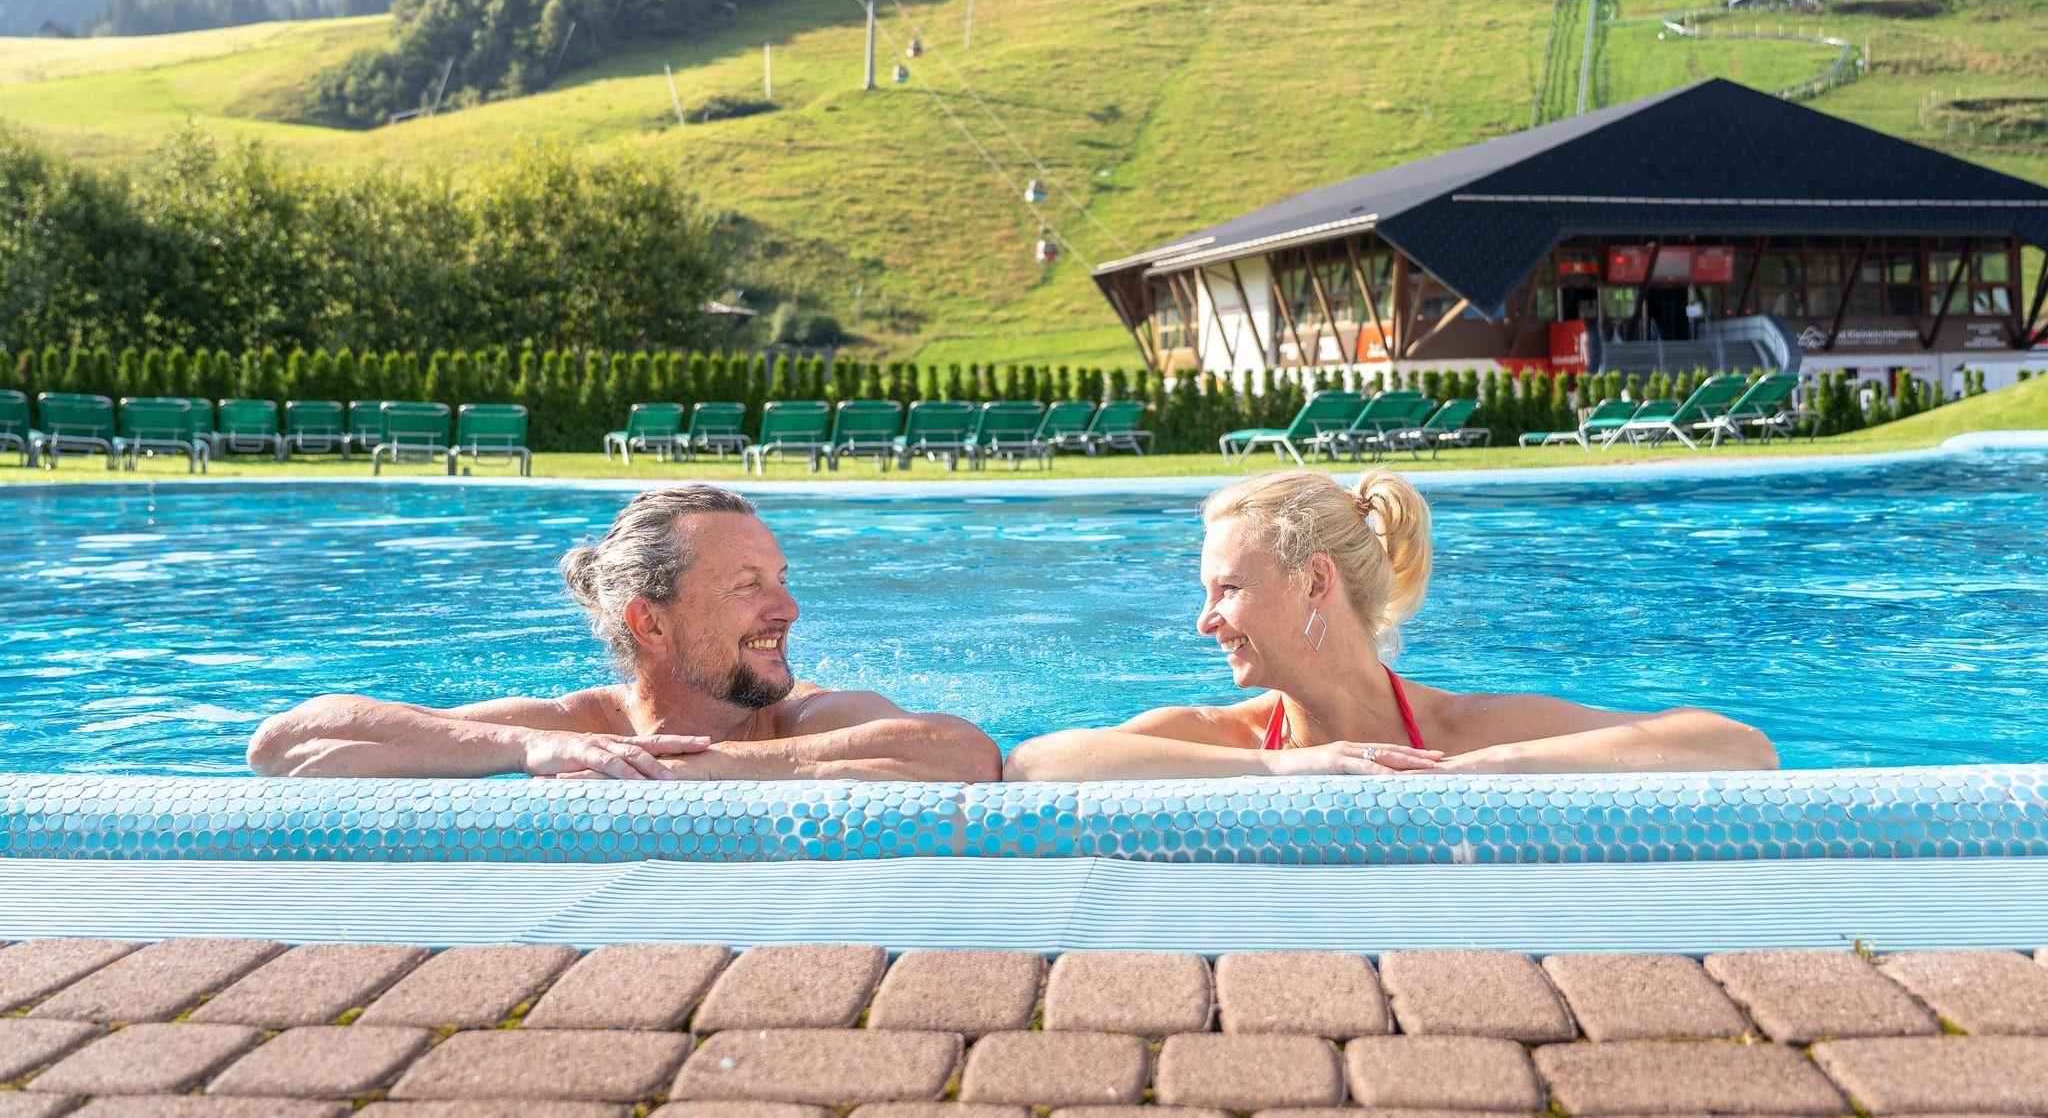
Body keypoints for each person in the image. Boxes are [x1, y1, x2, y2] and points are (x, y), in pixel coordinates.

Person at [1003, 467, 1776, 779]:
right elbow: (1034, 767)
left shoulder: (1460, 734)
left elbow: (1738, 746)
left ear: (1315, 582)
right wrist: (1286, 771)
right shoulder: (1229, 741)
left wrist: (1500, 770)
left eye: (1228, 589)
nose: (1206, 622)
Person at [247, 485, 1001, 781]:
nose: (788, 609)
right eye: (748, 586)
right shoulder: (582, 729)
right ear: (650, 623)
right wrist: (521, 748)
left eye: (780, 579)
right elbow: (282, 743)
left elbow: (967, 754)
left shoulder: (808, 718)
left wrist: (703, 771)